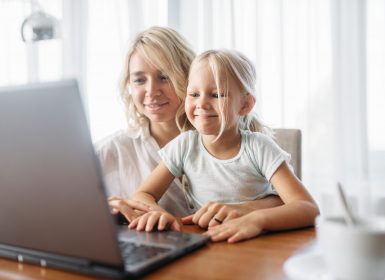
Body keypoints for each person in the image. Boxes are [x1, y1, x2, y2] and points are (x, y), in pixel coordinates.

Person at [96, 26, 283, 226]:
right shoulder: (108, 151)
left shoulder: (239, 136)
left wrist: (244, 208)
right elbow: (65, 211)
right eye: (140, 80)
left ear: (189, 77)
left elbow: (290, 201)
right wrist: (101, 209)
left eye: (164, 76)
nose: (151, 91)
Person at [128, 49, 319, 242]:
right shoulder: (184, 145)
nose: (201, 103)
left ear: (245, 105)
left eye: (217, 94)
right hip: (208, 243)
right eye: (194, 93)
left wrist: (255, 220)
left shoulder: (259, 148)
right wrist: (159, 213)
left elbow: (308, 207)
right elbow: (143, 194)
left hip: (256, 244)